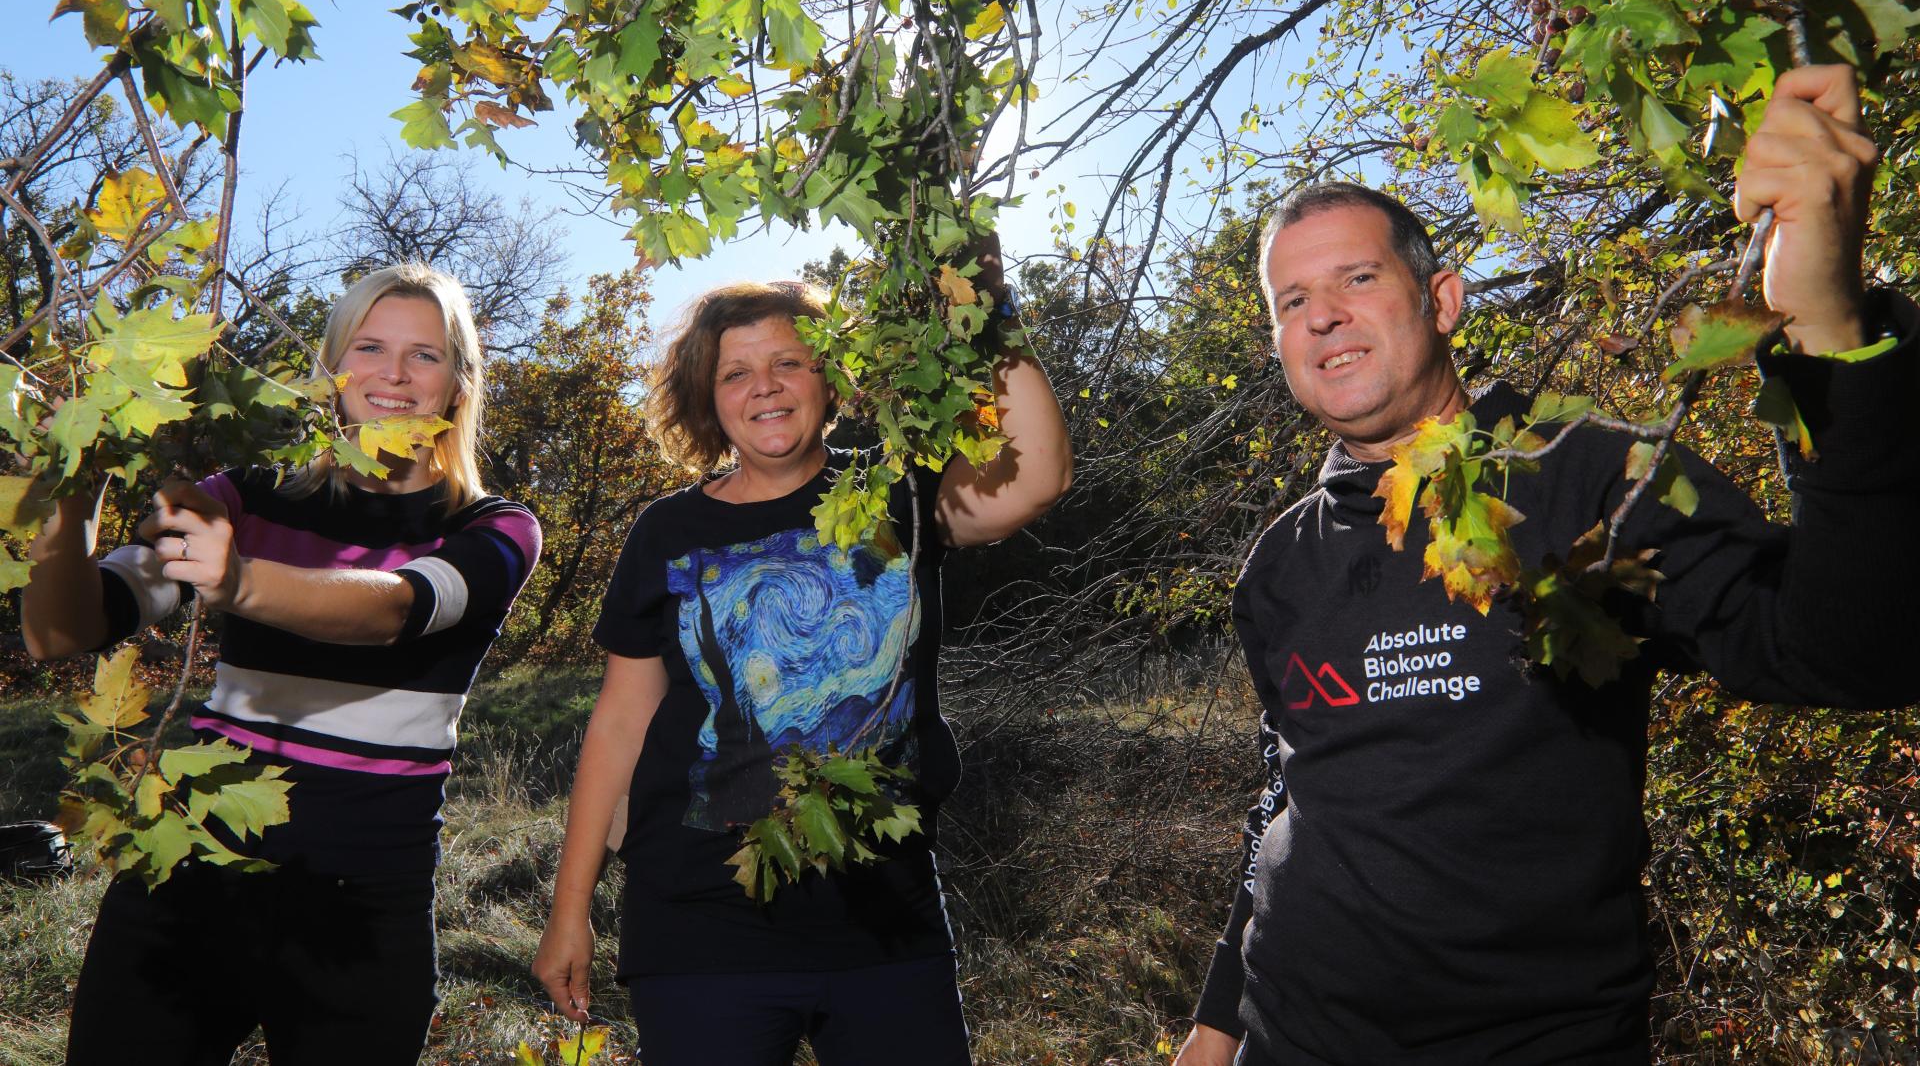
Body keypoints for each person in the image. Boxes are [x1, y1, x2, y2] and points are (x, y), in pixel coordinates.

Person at [1174, 63, 1920, 1065]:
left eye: (1357, 278)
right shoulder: (1278, 567)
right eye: (1292, 298)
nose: (1321, 315)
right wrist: (1217, 1025)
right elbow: (1284, 800)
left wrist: (1830, 329)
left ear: (1442, 298)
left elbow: (1849, 648)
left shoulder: (1592, 477)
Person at [532, 235, 1071, 1066]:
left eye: (788, 361)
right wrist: (571, 908)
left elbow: (1036, 478)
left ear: (829, 376)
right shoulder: (668, 531)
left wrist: (990, 302)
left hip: (885, 917)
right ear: (706, 401)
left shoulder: (898, 492)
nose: (765, 387)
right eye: (736, 373)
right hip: (699, 922)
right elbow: (619, 726)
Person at [24, 263, 542, 1066]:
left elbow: (394, 609)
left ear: (460, 381)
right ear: (332, 365)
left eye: (425, 354)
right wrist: (67, 488)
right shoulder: (241, 495)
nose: (394, 374)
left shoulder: (497, 527)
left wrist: (239, 581)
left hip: (364, 897)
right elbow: (62, 631)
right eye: (369, 346)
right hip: (190, 868)